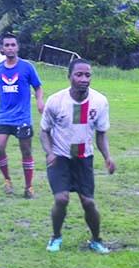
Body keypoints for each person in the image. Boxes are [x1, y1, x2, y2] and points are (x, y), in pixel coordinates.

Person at [40, 58, 116, 254]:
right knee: (61, 199)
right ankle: (56, 236)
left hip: (84, 159)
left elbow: (101, 134)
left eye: (87, 75)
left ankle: (96, 240)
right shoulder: (56, 101)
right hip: (60, 158)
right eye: (79, 74)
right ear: (69, 77)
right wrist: (49, 153)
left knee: (89, 203)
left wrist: (107, 156)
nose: (84, 79)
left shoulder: (99, 102)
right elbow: (44, 131)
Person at [0, 33, 44, 199]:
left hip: (22, 117)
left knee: (26, 151)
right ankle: (7, 180)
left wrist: (39, 101)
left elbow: (37, 87)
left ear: (17, 47)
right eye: (6, 45)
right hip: (3, 116)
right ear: (1, 48)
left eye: (12, 45)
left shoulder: (27, 67)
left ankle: (29, 187)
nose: (9, 48)